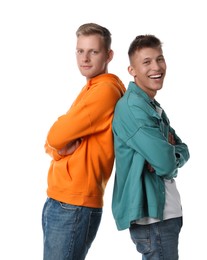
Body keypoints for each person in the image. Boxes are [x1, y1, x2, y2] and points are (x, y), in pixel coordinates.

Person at [42, 22, 126, 260]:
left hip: (74, 203)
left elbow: (55, 135)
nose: (85, 58)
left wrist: (56, 144)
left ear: (108, 55)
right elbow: (56, 141)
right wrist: (57, 150)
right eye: (80, 51)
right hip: (62, 198)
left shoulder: (105, 90)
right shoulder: (91, 87)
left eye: (93, 51)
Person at [111, 34, 190, 259]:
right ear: (132, 70)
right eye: (146, 62)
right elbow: (165, 164)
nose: (156, 67)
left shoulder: (151, 106)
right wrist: (169, 157)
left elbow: (183, 147)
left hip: (165, 214)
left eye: (160, 59)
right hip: (154, 219)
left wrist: (171, 153)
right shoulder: (134, 108)